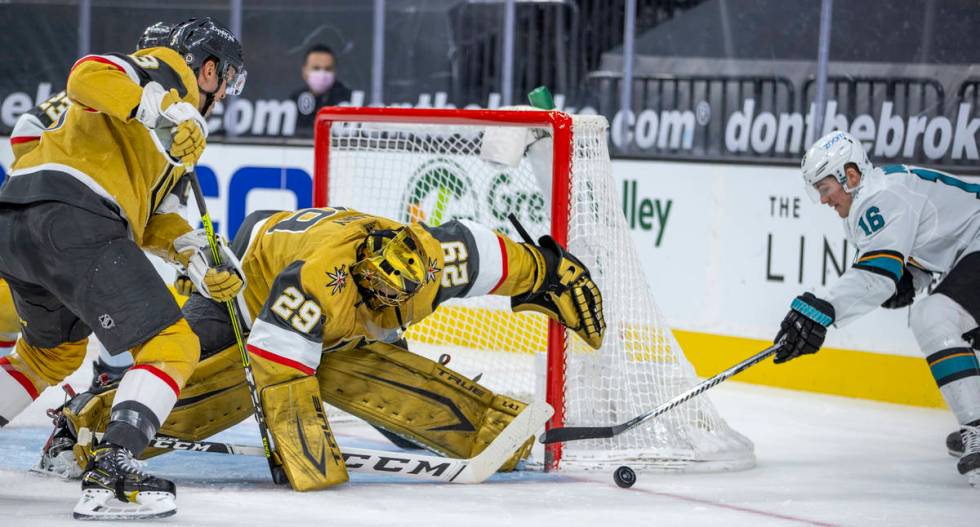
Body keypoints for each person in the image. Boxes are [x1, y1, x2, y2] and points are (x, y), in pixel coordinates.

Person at [43, 207, 606, 491]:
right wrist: (306, 460)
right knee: (217, 381)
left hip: (328, 304)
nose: (384, 299)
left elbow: (520, 263)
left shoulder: (436, 259)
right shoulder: (315, 282)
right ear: (361, 272)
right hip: (245, 285)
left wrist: (555, 272)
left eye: (394, 296)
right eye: (375, 291)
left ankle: (486, 430)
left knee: (366, 367)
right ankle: (88, 425)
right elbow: (277, 379)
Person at [0, 17, 247, 520]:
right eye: (228, 81)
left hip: (20, 221)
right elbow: (86, 74)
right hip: (74, 217)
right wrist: (161, 107)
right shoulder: (170, 72)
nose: (225, 95)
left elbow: (151, 217)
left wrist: (197, 257)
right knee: (174, 344)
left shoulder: (171, 141)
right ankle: (112, 473)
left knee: (49, 357)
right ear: (209, 69)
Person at [774, 130, 980, 488]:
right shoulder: (875, 196)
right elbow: (919, 247)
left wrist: (821, 310)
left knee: (935, 316)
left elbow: (876, 275)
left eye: (824, 189)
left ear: (850, 176)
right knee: (954, 320)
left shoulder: (881, 196)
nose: (823, 200)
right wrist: (911, 278)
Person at [4, 21, 192, 386]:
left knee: (47, 353)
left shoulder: (152, 112)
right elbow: (27, 128)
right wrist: (60, 169)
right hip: (58, 213)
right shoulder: (122, 89)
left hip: (22, 218)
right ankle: (114, 379)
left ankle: (114, 378)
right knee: (125, 301)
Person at [289, 44, 352, 137]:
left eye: (328, 69)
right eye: (316, 68)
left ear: (334, 72)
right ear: (305, 71)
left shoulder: (346, 100)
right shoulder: (295, 100)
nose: (322, 74)